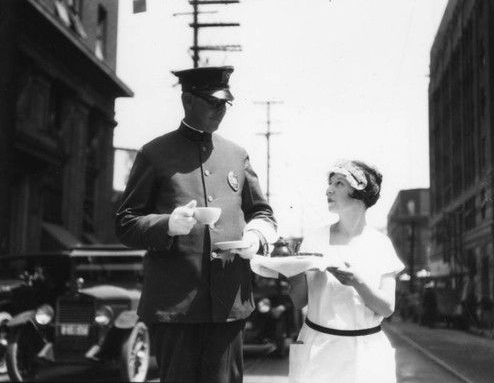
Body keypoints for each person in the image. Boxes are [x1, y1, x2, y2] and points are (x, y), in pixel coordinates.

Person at [115, 65, 277, 383]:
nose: (221, 110)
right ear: (188, 100)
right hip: (176, 305)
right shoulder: (154, 153)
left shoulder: (236, 155)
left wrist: (256, 236)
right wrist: (166, 224)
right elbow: (125, 223)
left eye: (225, 104)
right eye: (212, 102)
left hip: (229, 302)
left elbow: (264, 214)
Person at [287, 160, 404, 383]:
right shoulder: (314, 238)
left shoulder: (381, 244)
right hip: (318, 349)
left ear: (361, 193)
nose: (328, 189)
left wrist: (358, 281)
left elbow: (387, 308)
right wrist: (291, 271)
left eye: (339, 183)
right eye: (330, 183)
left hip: (366, 354)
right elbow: (298, 301)